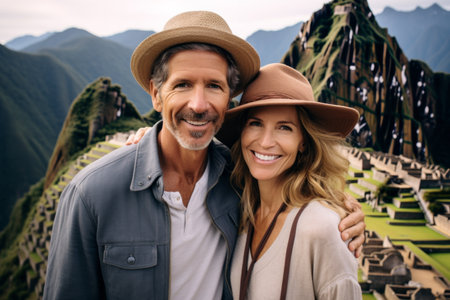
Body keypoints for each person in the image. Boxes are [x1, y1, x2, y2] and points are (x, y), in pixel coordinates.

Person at [43, 11, 364, 300]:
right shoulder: (92, 194)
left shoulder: (236, 181)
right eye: (182, 84)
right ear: (156, 94)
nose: (198, 104)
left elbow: (296, 190)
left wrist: (340, 212)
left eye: (213, 85)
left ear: (228, 98)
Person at [215, 63, 362, 299]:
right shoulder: (238, 214)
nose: (265, 142)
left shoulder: (323, 229)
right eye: (256, 123)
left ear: (303, 141)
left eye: (284, 128)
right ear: (242, 131)